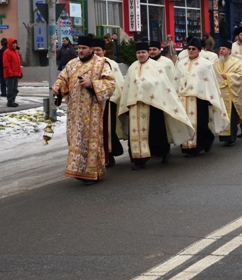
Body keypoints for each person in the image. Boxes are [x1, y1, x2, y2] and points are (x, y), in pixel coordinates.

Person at [118, 42, 194, 170]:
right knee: (136, 134)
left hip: (153, 104)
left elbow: (162, 84)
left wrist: (148, 86)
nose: (141, 55)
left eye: (143, 52)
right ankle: (139, 160)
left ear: (147, 53)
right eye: (138, 53)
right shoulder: (132, 67)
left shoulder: (157, 66)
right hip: (135, 106)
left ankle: (163, 153)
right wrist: (126, 104)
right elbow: (127, 87)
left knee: (157, 132)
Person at [52, 35, 117, 185]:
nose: (80, 51)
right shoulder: (71, 64)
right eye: (79, 48)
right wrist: (58, 87)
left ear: (91, 49)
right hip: (75, 113)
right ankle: (78, 170)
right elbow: (62, 79)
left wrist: (92, 84)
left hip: (92, 113)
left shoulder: (101, 63)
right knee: (75, 141)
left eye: (84, 48)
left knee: (90, 143)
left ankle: (92, 173)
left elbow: (110, 84)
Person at [174, 38, 229, 157]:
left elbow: (210, 82)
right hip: (184, 98)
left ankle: (206, 140)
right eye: (189, 49)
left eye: (193, 49)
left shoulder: (206, 64)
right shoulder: (181, 63)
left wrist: (210, 97)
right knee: (186, 123)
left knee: (201, 124)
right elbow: (177, 79)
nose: (191, 51)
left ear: (199, 50)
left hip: (199, 98)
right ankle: (190, 148)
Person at [90, 38, 125, 168]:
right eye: (94, 50)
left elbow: (118, 82)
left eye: (98, 50)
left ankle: (110, 155)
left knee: (108, 130)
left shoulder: (111, 64)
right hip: (93, 102)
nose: (96, 52)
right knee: (95, 131)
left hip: (110, 101)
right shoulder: (88, 64)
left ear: (104, 51)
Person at [215, 41, 242, 147]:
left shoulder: (236, 62)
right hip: (220, 93)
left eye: (223, 49)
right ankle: (223, 137)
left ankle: (231, 138)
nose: (221, 51)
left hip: (231, 93)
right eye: (220, 49)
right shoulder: (216, 63)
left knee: (231, 116)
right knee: (221, 115)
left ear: (229, 51)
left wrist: (228, 76)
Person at [2, 37, 22, 107]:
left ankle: (13, 100)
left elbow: (18, 64)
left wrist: (20, 72)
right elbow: (6, 64)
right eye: (13, 43)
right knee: (10, 88)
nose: (14, 45)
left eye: (15, 43)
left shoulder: (16, 52)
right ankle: (10, 101)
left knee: (15, 89)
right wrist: (10, 72)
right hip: (10, 74)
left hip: (15, 74)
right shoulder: (7, 52)